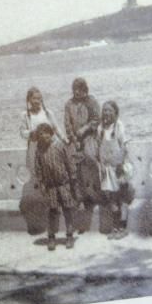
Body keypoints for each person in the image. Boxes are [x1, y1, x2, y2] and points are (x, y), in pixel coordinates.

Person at [18, 87, 64, 235]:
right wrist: (30, 133)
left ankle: (54, 215)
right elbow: (22, 132)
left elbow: (56, 129)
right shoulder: (25, 116)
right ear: (29, 100)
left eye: (39, 98)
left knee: (52, 179)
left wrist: (65, 141)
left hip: (49, 150)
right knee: (38, 182)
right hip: (34, 151)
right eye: (34, 99)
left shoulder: (48, 113)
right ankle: (40, 221)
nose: (37, 101)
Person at [31, 122, 78, 250]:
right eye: (40, 135)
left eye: (45, 134)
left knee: (68, 210)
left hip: (64, 185)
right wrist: (41, 184)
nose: (42, 137)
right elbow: (38, 168)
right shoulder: (39, 150)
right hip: (50, 186)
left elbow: (69, 163)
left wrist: (73, 181)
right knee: (52, 212)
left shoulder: (59, 146)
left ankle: (69, 236)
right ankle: (51, 237)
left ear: (51, 133)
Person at [64, 77, 101, 234]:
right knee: (76, 174)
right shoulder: (69, 104)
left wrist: (84, 130)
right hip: (75, 143)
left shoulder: (91, 101)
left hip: (89, 139)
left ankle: (95, 198)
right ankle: (82, 201)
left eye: (80, 89)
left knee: (91, 168)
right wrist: (74, 138)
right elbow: (67, 124)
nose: (77, 92)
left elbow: (96, 120)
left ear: (85, 89)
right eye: (75, 89)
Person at [97, 100, 134, 240]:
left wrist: (119, 165)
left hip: (119, 167)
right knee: (111, 198)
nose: (106, 113)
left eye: (109, 110)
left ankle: (123, 227)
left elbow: (124, 147)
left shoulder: (119, 126)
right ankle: (115, 227)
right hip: (107, 169)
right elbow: (99, 148)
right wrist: (101, 165)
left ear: (115, 113)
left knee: (122, 197)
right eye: (104, 110)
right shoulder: (100, 128)